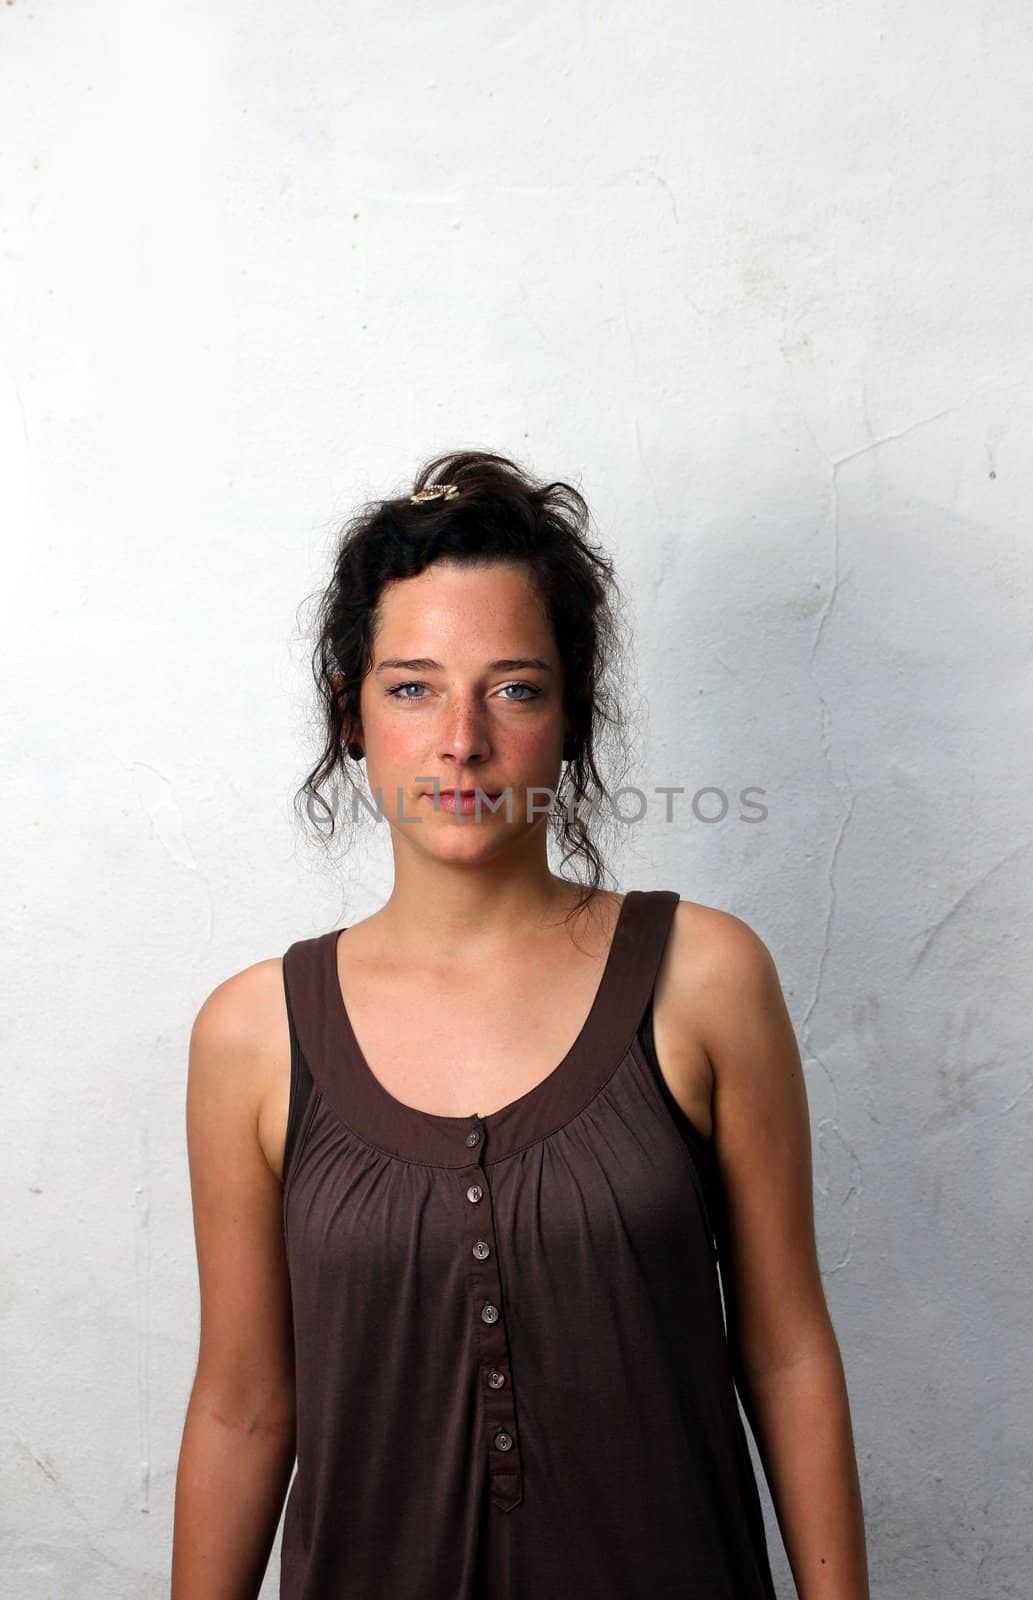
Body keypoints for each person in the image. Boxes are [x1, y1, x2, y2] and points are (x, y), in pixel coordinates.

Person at [171, 450, 870, 1599]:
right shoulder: (253, 1033)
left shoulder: (703, 977)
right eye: (411, 686)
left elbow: (786, 1348)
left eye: (512, 686)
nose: (461, 740)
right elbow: (245, 1403)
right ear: (349, 714)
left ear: (569, 718)